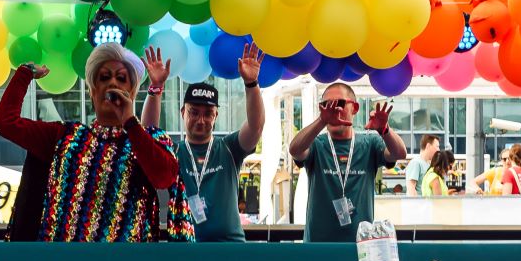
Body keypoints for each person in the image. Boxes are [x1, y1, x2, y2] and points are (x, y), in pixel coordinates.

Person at [0, 46, 184, 243]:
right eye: (104, 77)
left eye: (121, 78)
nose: (112, 83)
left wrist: (130, 122)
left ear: (132, 92)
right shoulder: (64, 137)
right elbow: (5, 123)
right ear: (93, 91)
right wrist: (25, 73)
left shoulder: (145, 140)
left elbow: (164, 177)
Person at [172, 43, 267, 241]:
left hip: (230, 248)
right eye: (194, 112)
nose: (201, 120)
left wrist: (251, 84)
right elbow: (147, 136)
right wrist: (154, 90)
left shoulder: (229, 147)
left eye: (208, 114)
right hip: (187, 249)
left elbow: (256, 126)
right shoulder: (174, 151)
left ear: (216, 116)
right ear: (182, 113)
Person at [288, 83, 404, 240]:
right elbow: (295, 150)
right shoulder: (316, 144)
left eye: (340, 103)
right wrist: (322, 121)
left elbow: (399, 153)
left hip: (360, 247)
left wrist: (385, 130)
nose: (335, 109)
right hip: (317, 247)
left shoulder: (369, 144)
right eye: (326, 105)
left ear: (355, 108)